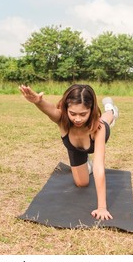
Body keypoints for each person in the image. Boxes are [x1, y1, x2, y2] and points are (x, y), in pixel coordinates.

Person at [19, 84, 119, 220]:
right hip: (75, 148)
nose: (77, 119)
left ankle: (110, 109)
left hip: (95, 135)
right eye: (73, 114)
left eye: (83, 114)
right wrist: (38, 101)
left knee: (106, 119)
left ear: (91, 110)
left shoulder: (98, 128)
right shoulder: (61, 119)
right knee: (81, 183)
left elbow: (99, 167)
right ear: (66, 109)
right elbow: (49, 110)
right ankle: (85, 164)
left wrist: (102, 207)